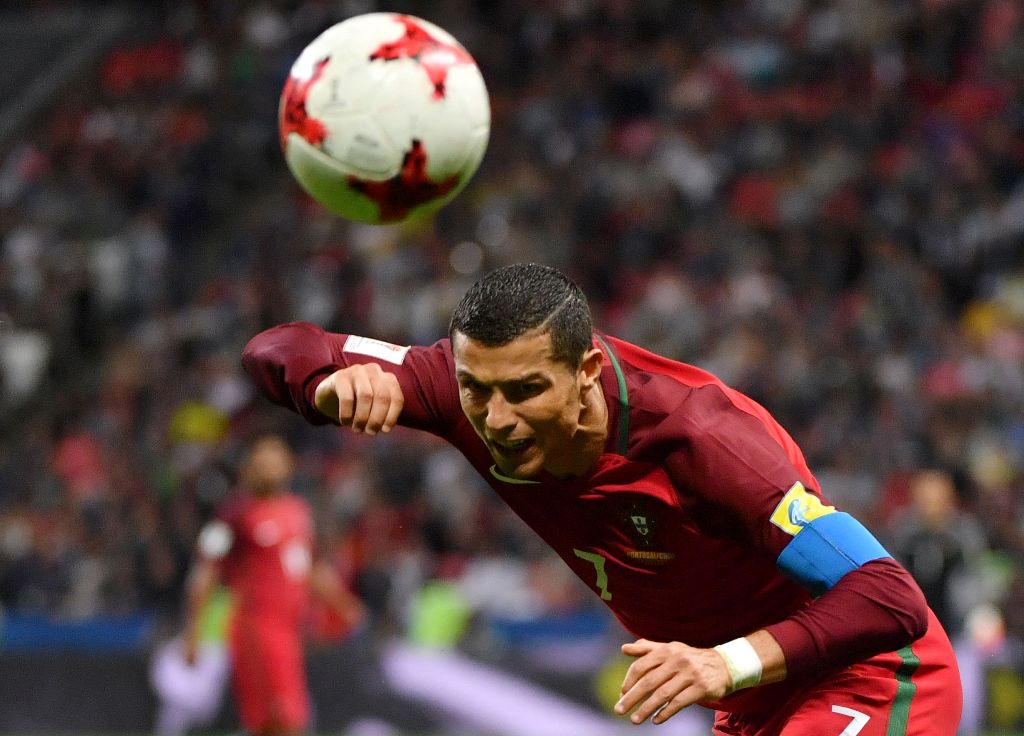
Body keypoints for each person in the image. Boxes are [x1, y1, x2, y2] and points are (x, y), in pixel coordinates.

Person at [241, 263, 962, 735]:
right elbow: (278, 347)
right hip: (753, 701)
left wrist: (722, 663)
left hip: (874, 678)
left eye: (525, 392)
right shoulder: (455, 388)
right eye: (476, 392)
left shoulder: (702, 438)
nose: (496, 420)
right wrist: (326, 386)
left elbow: (888, 596)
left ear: (586, 371)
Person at [182, 435, 365, 736]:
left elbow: (311, 567)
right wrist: (193, 633)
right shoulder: (235, 515)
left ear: (289, 466)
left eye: (275, 458)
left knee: (270, 725)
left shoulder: (298, 513)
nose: (269, 465)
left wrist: (345, 606)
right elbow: (206, 571)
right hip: (256, 627)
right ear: (249, 469)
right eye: (262, 459)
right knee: (287, 721)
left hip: (289, 630)